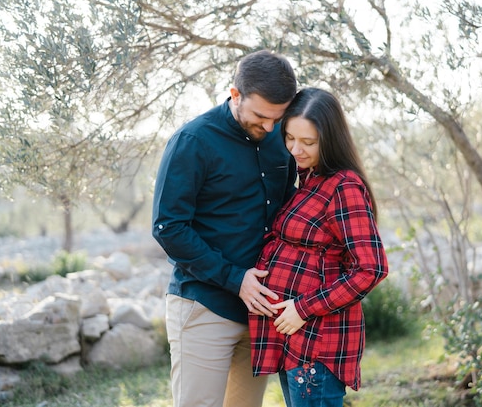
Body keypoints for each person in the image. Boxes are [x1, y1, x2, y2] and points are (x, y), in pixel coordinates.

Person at [151, 49, 298, 407]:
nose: (268, 127)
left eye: (276, 119)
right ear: (235, 95)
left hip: (262, 312)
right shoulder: (193, 141)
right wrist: (235, 279)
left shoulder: (283, 138)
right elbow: (168, 227)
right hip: (203, 306)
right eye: (260, 116)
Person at [249, 87, 389, 407]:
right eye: (290, 138)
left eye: (308, 142)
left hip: (318, 341)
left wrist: (302, 308)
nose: (296, 149)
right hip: (293, 338)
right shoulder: (309, 178)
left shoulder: (344, 186)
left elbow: (372, 268)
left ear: (330, 139)